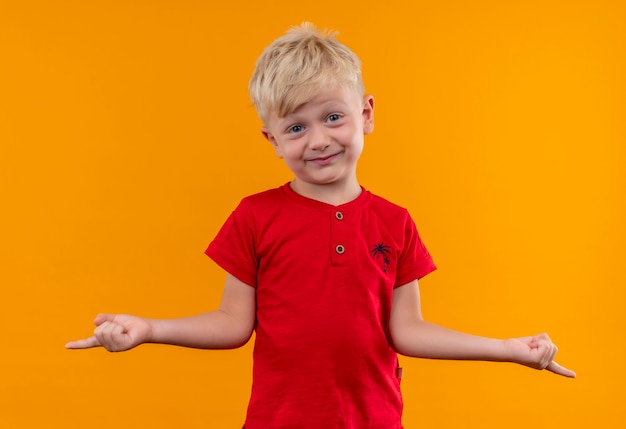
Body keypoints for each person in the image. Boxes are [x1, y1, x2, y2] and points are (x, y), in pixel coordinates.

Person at [66, 22, 575, 428]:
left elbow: (409, 330)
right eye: (295, 127)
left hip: (374, 420)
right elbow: (231, 324)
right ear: (271, 140)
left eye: (333, 117)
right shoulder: (254, 216)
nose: (317, 140)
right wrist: (151, 329)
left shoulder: (394, 222)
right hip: (277, 421)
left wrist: (506, 350)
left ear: (367, 114)